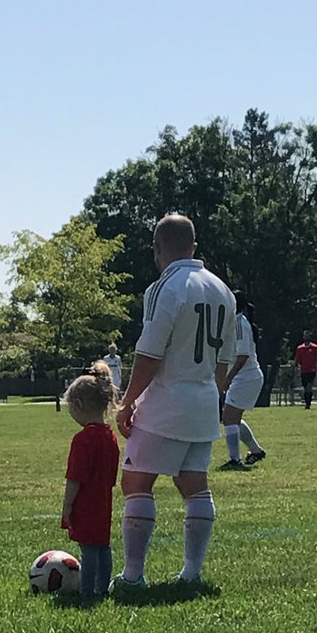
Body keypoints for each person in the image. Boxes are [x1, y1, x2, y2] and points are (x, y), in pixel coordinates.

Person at [113, 214, 236, 587]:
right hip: (203, 402)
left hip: (166, 401)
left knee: (135, 482)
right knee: (194, 485)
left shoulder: (165, 287)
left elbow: (149, 353)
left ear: (157, 248)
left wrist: (128, 401)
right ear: (194, 247)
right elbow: (225, 361)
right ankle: (192, 574)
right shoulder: (222, 290)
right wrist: (208, 397)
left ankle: (133, 577)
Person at [61, 362, 120, 605]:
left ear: (78, 406)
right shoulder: (110, 436)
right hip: (104, 501)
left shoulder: (83, 439)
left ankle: (87, 592)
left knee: (88, 549)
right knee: (103, 547)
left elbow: (75, 478)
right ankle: (102, 588)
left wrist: (67, 507)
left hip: (86, 502)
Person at [219, 294, 266, 470]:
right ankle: (256, 451)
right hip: (245, 377)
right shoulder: (233, 323)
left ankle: (234, 460)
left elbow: (242, 357)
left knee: (229, 418)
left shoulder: (239, 323)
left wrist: (228, 379)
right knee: (232, 418)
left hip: (247, 377)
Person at [295, 330, 317, 409]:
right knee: (305, 387)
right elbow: (297, 360)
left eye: (307, 336)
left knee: (309, 386)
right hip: (303, 371)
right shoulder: (300, 348)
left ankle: (308, 403)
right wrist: (296, 368)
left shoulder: (314, 347)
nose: (306, 337)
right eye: (305, 336)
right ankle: (307, 401)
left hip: (312, 370)